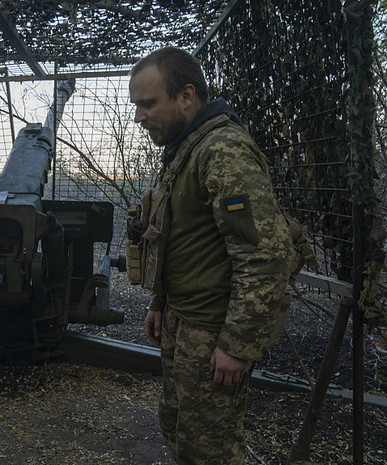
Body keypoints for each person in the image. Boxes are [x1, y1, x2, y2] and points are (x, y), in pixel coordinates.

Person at [127, 47, 293, 464]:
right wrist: (160, 302)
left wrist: (237, 344)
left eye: (147, 104)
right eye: (136, 106)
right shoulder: (187, 149)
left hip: (213, 331)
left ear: (187, 96)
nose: (139, 117)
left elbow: (265, 255)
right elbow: (176, 237)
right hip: (182, 322)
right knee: (177, 427)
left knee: (209, 450)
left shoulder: (224, 151)